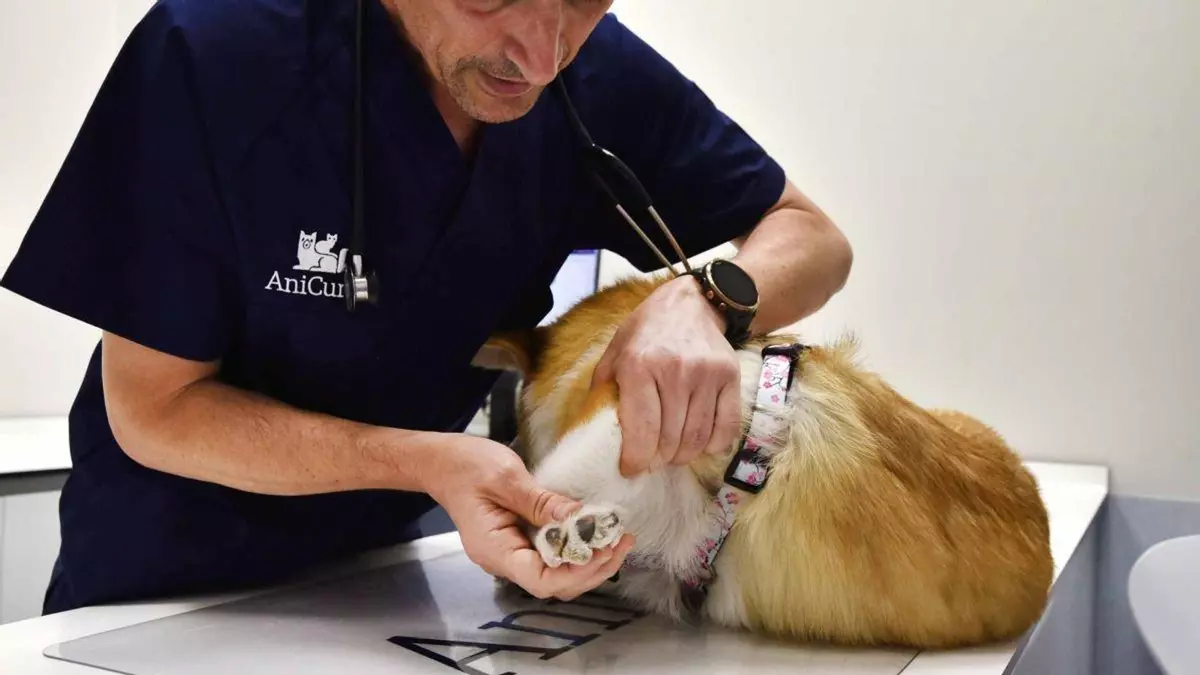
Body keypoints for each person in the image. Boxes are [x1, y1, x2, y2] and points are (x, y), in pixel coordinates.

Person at [0, 0, 852, 615]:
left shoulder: (594, 74)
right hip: (164, 585)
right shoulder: (212, 52)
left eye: (584, 0)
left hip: (382, 582)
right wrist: (427, 463)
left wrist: (704, 301)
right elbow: (154, 409)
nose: (542, 55)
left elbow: (813, 238)